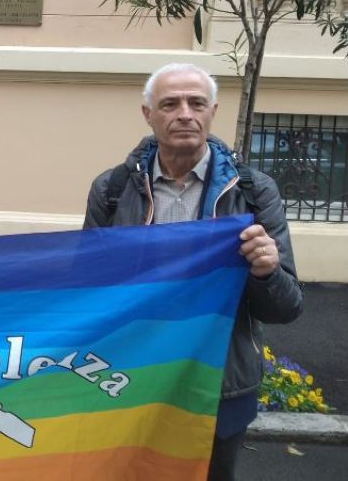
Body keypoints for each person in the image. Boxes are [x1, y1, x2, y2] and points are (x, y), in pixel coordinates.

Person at [83, 63, 302, 481]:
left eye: (196, 103)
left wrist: (267, 272)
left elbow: (286, 307)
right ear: (148, 114)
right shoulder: (111, 190)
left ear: (212, 111)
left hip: (218, 386)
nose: (185, 113)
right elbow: (87, 289)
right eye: (170, 104)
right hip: (131, 379)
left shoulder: (253, 192)